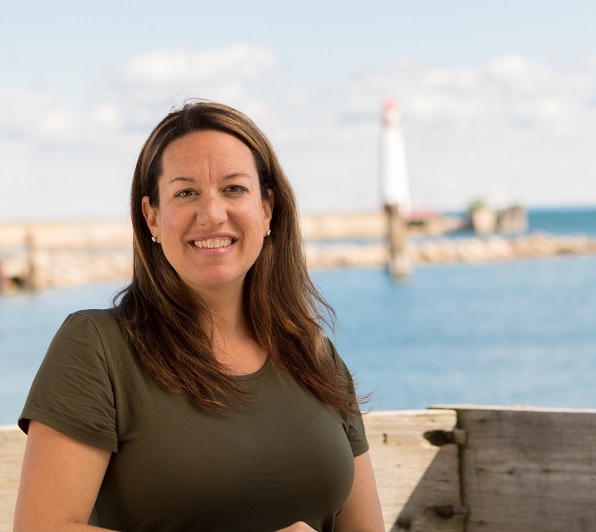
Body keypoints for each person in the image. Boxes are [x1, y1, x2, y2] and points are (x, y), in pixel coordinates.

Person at [14, 101, 384, 531]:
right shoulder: (97, 346)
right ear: (152, 215)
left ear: (267, 210)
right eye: (186, 192)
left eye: (233, 189)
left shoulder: (315, 356)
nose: (211, 214)